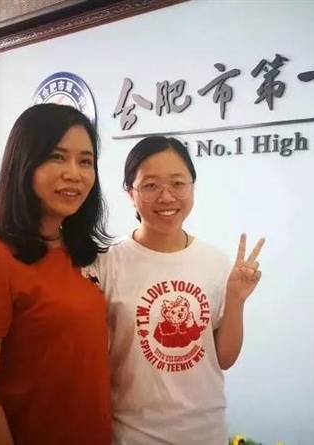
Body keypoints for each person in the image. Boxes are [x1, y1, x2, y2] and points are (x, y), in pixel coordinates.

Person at [0, 103, 113, 445]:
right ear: (24, 164)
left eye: (85, 161)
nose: (74, 173)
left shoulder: (79, 255)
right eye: (57, 157)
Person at [91, 135, 265, 445]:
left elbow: (223, 358)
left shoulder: (214, 261)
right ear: (130, 193)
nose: (166, 196)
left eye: (178, 183)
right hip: (132, 435)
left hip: (205, 432)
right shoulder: (105, 262)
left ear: (192, 187)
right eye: (150, 185)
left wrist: (236, 300)